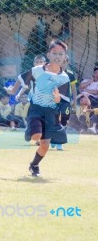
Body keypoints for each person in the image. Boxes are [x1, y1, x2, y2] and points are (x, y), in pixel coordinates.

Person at [20, 39, 70, 176]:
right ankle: (30, 130)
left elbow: (64, 101)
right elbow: (24, 79)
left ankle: (34, 165)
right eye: (54, 53)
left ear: (65, 57)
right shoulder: (38, 70)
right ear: (48, 54)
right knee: (36, 135)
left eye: (61, 54)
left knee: (45, 145)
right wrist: (14, 91)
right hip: (36, 108)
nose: (57, 56)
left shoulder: (64, 78)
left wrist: (57, 99)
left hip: (51, 112)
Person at [50, 55, 78, 150]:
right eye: (62, 61)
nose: (63, 63)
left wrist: (74, 100)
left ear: (68, 62)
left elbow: (74, 89)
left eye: (65, 61)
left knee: (64, 120)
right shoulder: (53, 73)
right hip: (55, 100)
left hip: (66, 101)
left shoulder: (70, 74)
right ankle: (54, 139)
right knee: (54, 120)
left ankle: (59, 143)